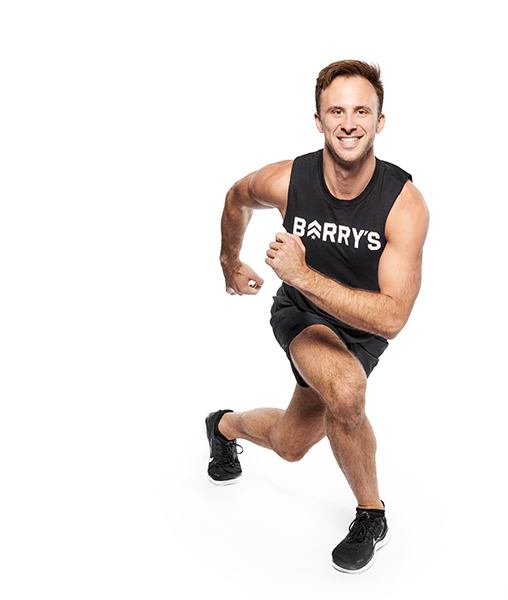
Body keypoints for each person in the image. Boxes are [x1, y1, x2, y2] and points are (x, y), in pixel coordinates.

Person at [208, 59, 429, 574]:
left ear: (379, 122)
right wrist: (228, 261)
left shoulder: (404, 204)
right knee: (346, 392)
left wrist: (303, 272)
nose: (348, 122)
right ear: (318, 119)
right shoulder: (289, 180)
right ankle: (372, 514)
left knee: (289, 444)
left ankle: (222, 427)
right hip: (302, 315)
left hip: (363, 326)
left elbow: (392, 319)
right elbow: (237, 197)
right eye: (336, 110)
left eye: (361, 111)